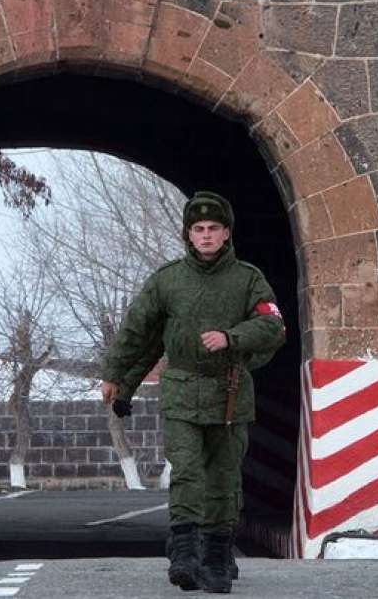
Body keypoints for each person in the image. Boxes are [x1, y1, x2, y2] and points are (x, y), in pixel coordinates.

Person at [101, 191, 285, 594]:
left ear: (226, 233)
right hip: (182, 392)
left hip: (230, 395)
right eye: (198, 229)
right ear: (188, 234)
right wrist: (116, 375)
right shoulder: (167, 281)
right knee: (187, 473)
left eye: (213, 229)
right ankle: (184, 554)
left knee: (222, 479)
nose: (205, 235)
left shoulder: (248, 279)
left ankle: (217, 557)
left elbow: (274, 327)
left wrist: (231, 338)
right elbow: (140, 334)